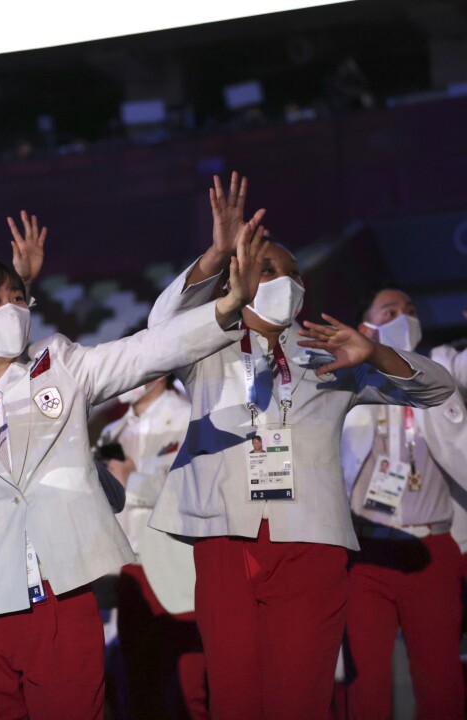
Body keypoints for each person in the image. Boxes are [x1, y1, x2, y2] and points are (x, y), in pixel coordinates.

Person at [0, 214, 268, 720]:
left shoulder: (62, 365)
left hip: (62, 592)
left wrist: (226, 307)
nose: (12, 309)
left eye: (17, 298)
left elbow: (147, 350)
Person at [145, 173, 456, 719]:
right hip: (227, 536)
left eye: (294, 274)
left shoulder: (329, 354)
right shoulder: (204, 344)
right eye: (269, 268)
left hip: (312, 539)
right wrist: (216, 254)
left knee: (301, 699)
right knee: (237, 698)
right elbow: (160, 326)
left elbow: (437, 388)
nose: (284, 281)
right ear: (236, 275)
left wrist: (378, 354)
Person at [339, 286, 467, 720]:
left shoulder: (442, 364)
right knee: (365, 685)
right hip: (367, 553)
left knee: (440, 680)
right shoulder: (345, 382)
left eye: (410, 310)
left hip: (432, 548)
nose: (403, 316)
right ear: (365, 328)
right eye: (390, 310)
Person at [99, 376, 208, 720]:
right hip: (128, 565)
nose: (129, 380)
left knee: (191, 685)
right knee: (138, 682)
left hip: (175, 564)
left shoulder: (187, 416)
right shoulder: (111, 432)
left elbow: (191, 484)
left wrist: (134, 479)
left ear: (158, 373)